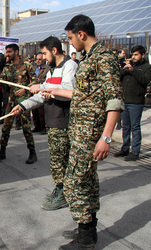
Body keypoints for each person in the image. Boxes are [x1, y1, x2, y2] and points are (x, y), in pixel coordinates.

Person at [42, 15, 123, 249]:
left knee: (74, 184)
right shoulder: (88, 59)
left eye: (70, 38)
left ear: (81, 34)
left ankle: (85, 239)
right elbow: (82, 95)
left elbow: (115, 100)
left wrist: (105, 137)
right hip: (78, 129)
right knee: (87, 182)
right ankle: (87, 230)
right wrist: (51, 89)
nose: (70, 43)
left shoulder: (103, 58)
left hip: (89, 133)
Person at [12, 36, 77, 211]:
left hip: (63, 120)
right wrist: (23, 106)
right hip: (52, 121)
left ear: (54, 50)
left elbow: (68, 89)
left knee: (61, 160)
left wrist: (41, 87)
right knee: (56, 161)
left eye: (45, 53)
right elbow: (42, 96)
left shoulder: (70, 66)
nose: (44, 57)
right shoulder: (50, 70)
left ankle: (63, 193)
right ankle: (60, 189)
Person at [0, 43, 37, 164]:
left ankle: (32, 152)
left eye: (9, 52)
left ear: (16, 52)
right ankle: (2, 151)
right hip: (11, 100)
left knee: (25, 126)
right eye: (7, 52)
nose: (7, 54)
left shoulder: (27, 65)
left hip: (24, 100)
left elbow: (35, 82)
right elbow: (1, 79)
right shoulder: (8, 67)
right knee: (6, 125)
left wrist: (25, 88)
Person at [114, 45, 151, 161]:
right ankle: (125, 148)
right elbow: (118, 78)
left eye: (136, 55)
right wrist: (122, 68)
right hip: (125, 100)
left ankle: (135, 152)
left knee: (135, 127)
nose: (133, 57)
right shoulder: (129, 67)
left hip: (136, 102)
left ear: (142, 55)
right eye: (132, 55)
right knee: (126, 126)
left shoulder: (146, 68)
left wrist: (133, 70)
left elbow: (144, 80)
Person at [31, 52, 50, 134]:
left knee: (41, 111)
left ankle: (44, 127)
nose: (38, 61)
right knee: (34, 110)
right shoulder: (34, 67)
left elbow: (48, 80)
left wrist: (39, 82)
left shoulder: (47, 68)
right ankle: (37, 126)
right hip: (33, 90)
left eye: (39, 59)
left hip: (42, 90)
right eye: (37, 59)